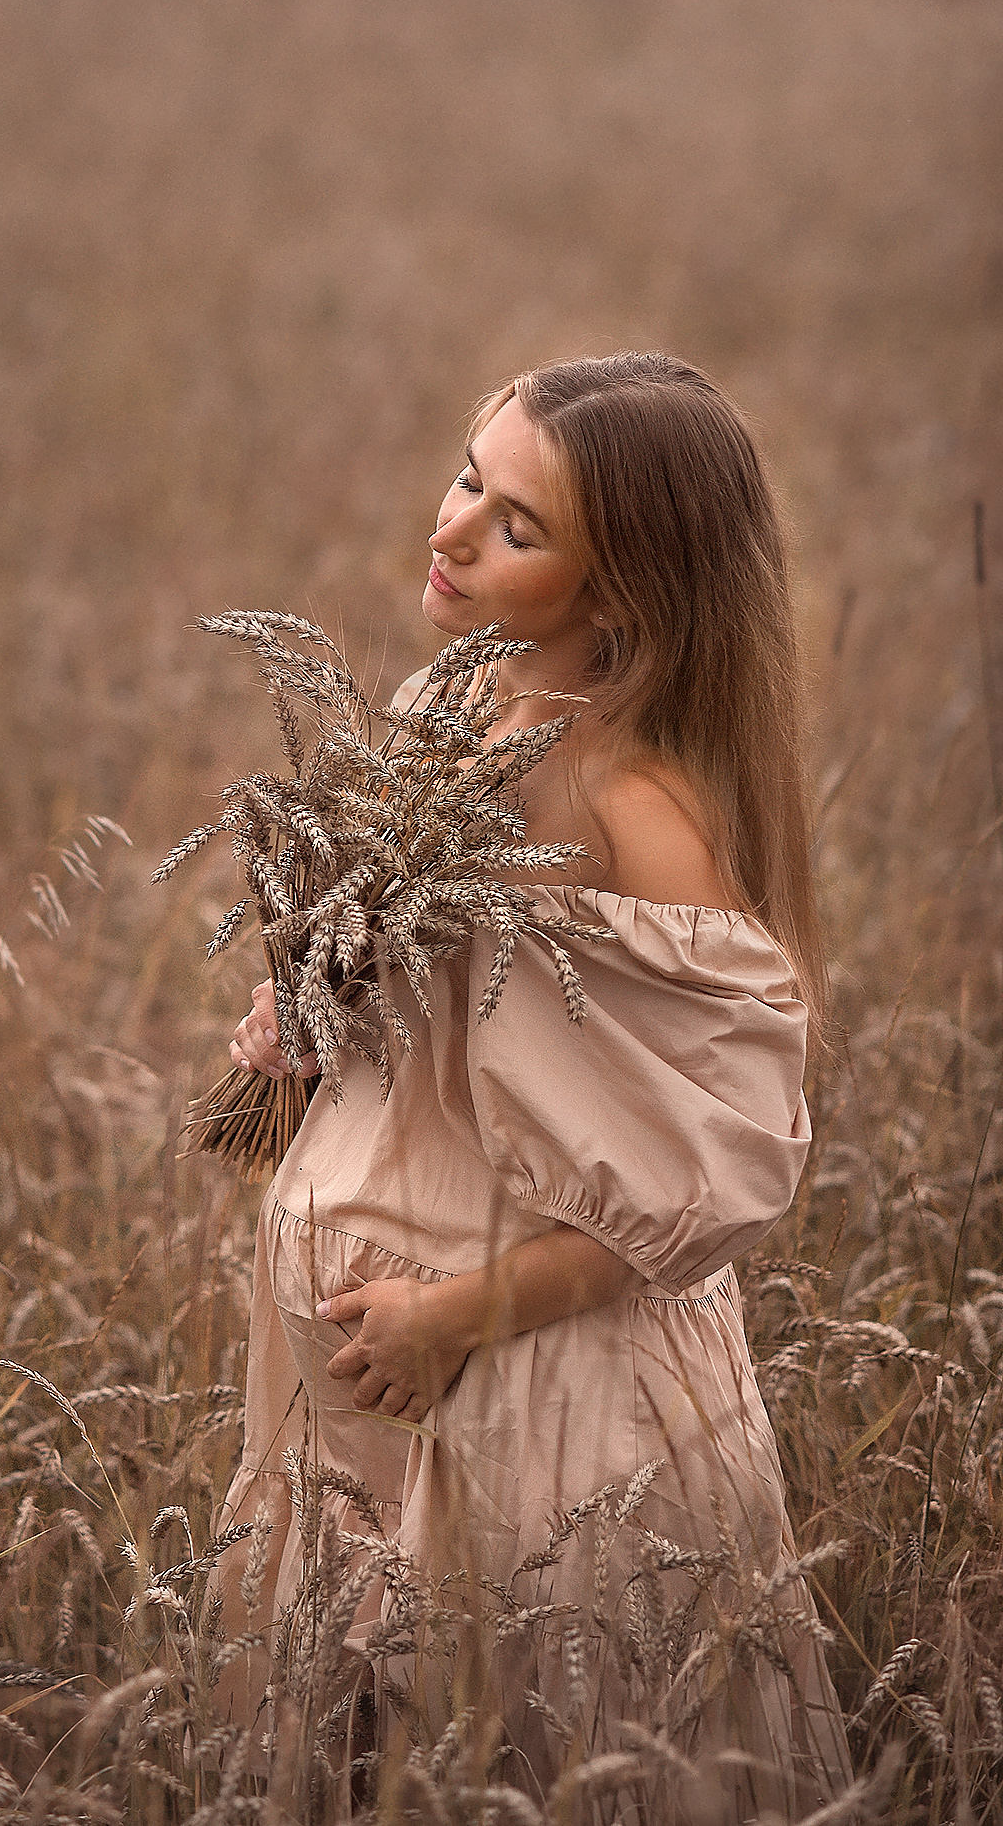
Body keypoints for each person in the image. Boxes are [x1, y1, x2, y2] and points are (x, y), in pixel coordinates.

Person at [212, 353, 850, 1817]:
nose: (450, 533)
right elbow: (458, 1033)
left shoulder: (637, 816)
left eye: (518, 528)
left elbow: (712, 1181)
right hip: (368, 1413)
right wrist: (312, 1018)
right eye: (466, 478)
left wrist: (454, 1315)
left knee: (547, 1762)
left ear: (621, 588)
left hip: (539, 1411)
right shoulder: (453, 708)